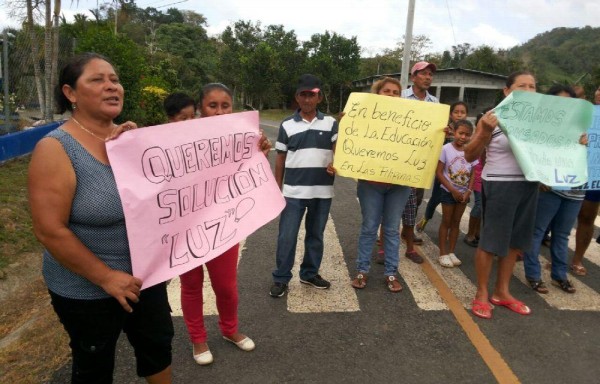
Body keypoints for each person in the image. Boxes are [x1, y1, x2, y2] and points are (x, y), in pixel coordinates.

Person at [28, 52, 173, 383]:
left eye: (114, 79)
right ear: (71, 93)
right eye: (97, 80)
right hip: (86, 290)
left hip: (144, 278)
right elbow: (49, 230)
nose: (112, 87)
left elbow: (183, 184)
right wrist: (107, 277)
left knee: (157, 346)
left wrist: (247, 151)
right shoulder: (55, 149)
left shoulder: (130, 139)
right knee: (94, 366)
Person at [179, 82, 271, 365]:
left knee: (226, 287)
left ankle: (230, 330)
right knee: (192, 285)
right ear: (200, 110)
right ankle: (198, 339)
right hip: (186, 229)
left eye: (225, 106)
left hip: (223, 227)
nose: (219, 112)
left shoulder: (242, 139)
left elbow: (249, 180)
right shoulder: (179, 140)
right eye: (212, 106)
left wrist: (260, 154)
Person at [465, 71, 539, 320]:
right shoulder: (493, 118)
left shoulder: (541, 122)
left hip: (529, 185)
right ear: (507, 91)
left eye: (532, 86)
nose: (528, 90)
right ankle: (482, 293)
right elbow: (470, 155)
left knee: (515, 243)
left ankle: (502, 292)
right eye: (521, 86)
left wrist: (575, 143)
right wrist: (485, 131)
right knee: (491, 241)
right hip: (499, 184)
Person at [269, 74, 338, 298]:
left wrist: (337, 165)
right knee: (287, 236)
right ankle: (281, 277)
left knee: (316, 235)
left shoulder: (331, 123)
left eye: (312, 95)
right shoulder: (287, 125)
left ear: (319, 98)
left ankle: (309, 273)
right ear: (297, 98)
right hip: (293, 192)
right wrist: (276, 190)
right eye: (303, 95)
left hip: (322, 191)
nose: (308, 99)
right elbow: (280, 159)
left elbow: (341, 153)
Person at [523, 84, 586, 294]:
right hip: (550, 188)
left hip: (576, 191)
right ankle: (533, 274)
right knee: (537, 231)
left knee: (562, 235)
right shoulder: (542, 128)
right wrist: (540, 177)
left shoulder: (583, 126)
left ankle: (560, 275)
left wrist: (586, 144)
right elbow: (532, 153)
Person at [351, 77, 412, 292]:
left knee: (392, 229)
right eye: (387, 91)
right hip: (371, 183)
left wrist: (437, 133)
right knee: (369, 227)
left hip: (400, 184)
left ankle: (391, 273)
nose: (392, 95)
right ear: (377, 94)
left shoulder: (411, 119)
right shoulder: (365, 118)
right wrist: (348, 121)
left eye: (396, 92)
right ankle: (362, 270)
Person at [401, 61, 439, 251]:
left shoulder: (435, 103)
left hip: (421, 160)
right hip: (399, 157)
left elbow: (436, 132)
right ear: (413, 76)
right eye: (423, 73)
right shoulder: (400, 98)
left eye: (430, 74)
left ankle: (407, 232)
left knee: (415, 198)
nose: (427, 77)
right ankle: (386, 233)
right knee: (393, 197)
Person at [417, 101, 469, 234]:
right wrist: (443, 136)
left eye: (462, 112)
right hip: (443, 173)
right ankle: (426, 218)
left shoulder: (467, 131)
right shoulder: (444, 129)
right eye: (456, 112)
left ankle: (448, 229)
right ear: (451, 115)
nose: (459, 115)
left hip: (460, 175)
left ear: (466, 115)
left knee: (455, 204)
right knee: (435, 198)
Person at [437, 119, 477, 268]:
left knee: (456, 223)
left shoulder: (471, 150)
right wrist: (452, 190)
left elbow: (473, 172)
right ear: (454, 132)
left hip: (463, 194)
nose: (463, 137)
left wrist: (468, 191)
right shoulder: (446, 149)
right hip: (448, 191)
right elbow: (439, 172)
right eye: (460, 133)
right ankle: (442, 253)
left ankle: (452, 251)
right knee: (446, 222)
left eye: (467, 134)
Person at [571, 85, 600, 276]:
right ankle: (555, 258)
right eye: (599, 89)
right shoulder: (583, 111)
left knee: (587, 218)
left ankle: (577, 259)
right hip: (570, 173)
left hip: (595, 178)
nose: (599, 92)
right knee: (558, 217)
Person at [463, 107, 491, 247]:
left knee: (485, 207)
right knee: (479, 205)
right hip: (479, 175)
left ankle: (478, 232)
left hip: (491, 177)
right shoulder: (478, 137)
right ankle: (470, 233)